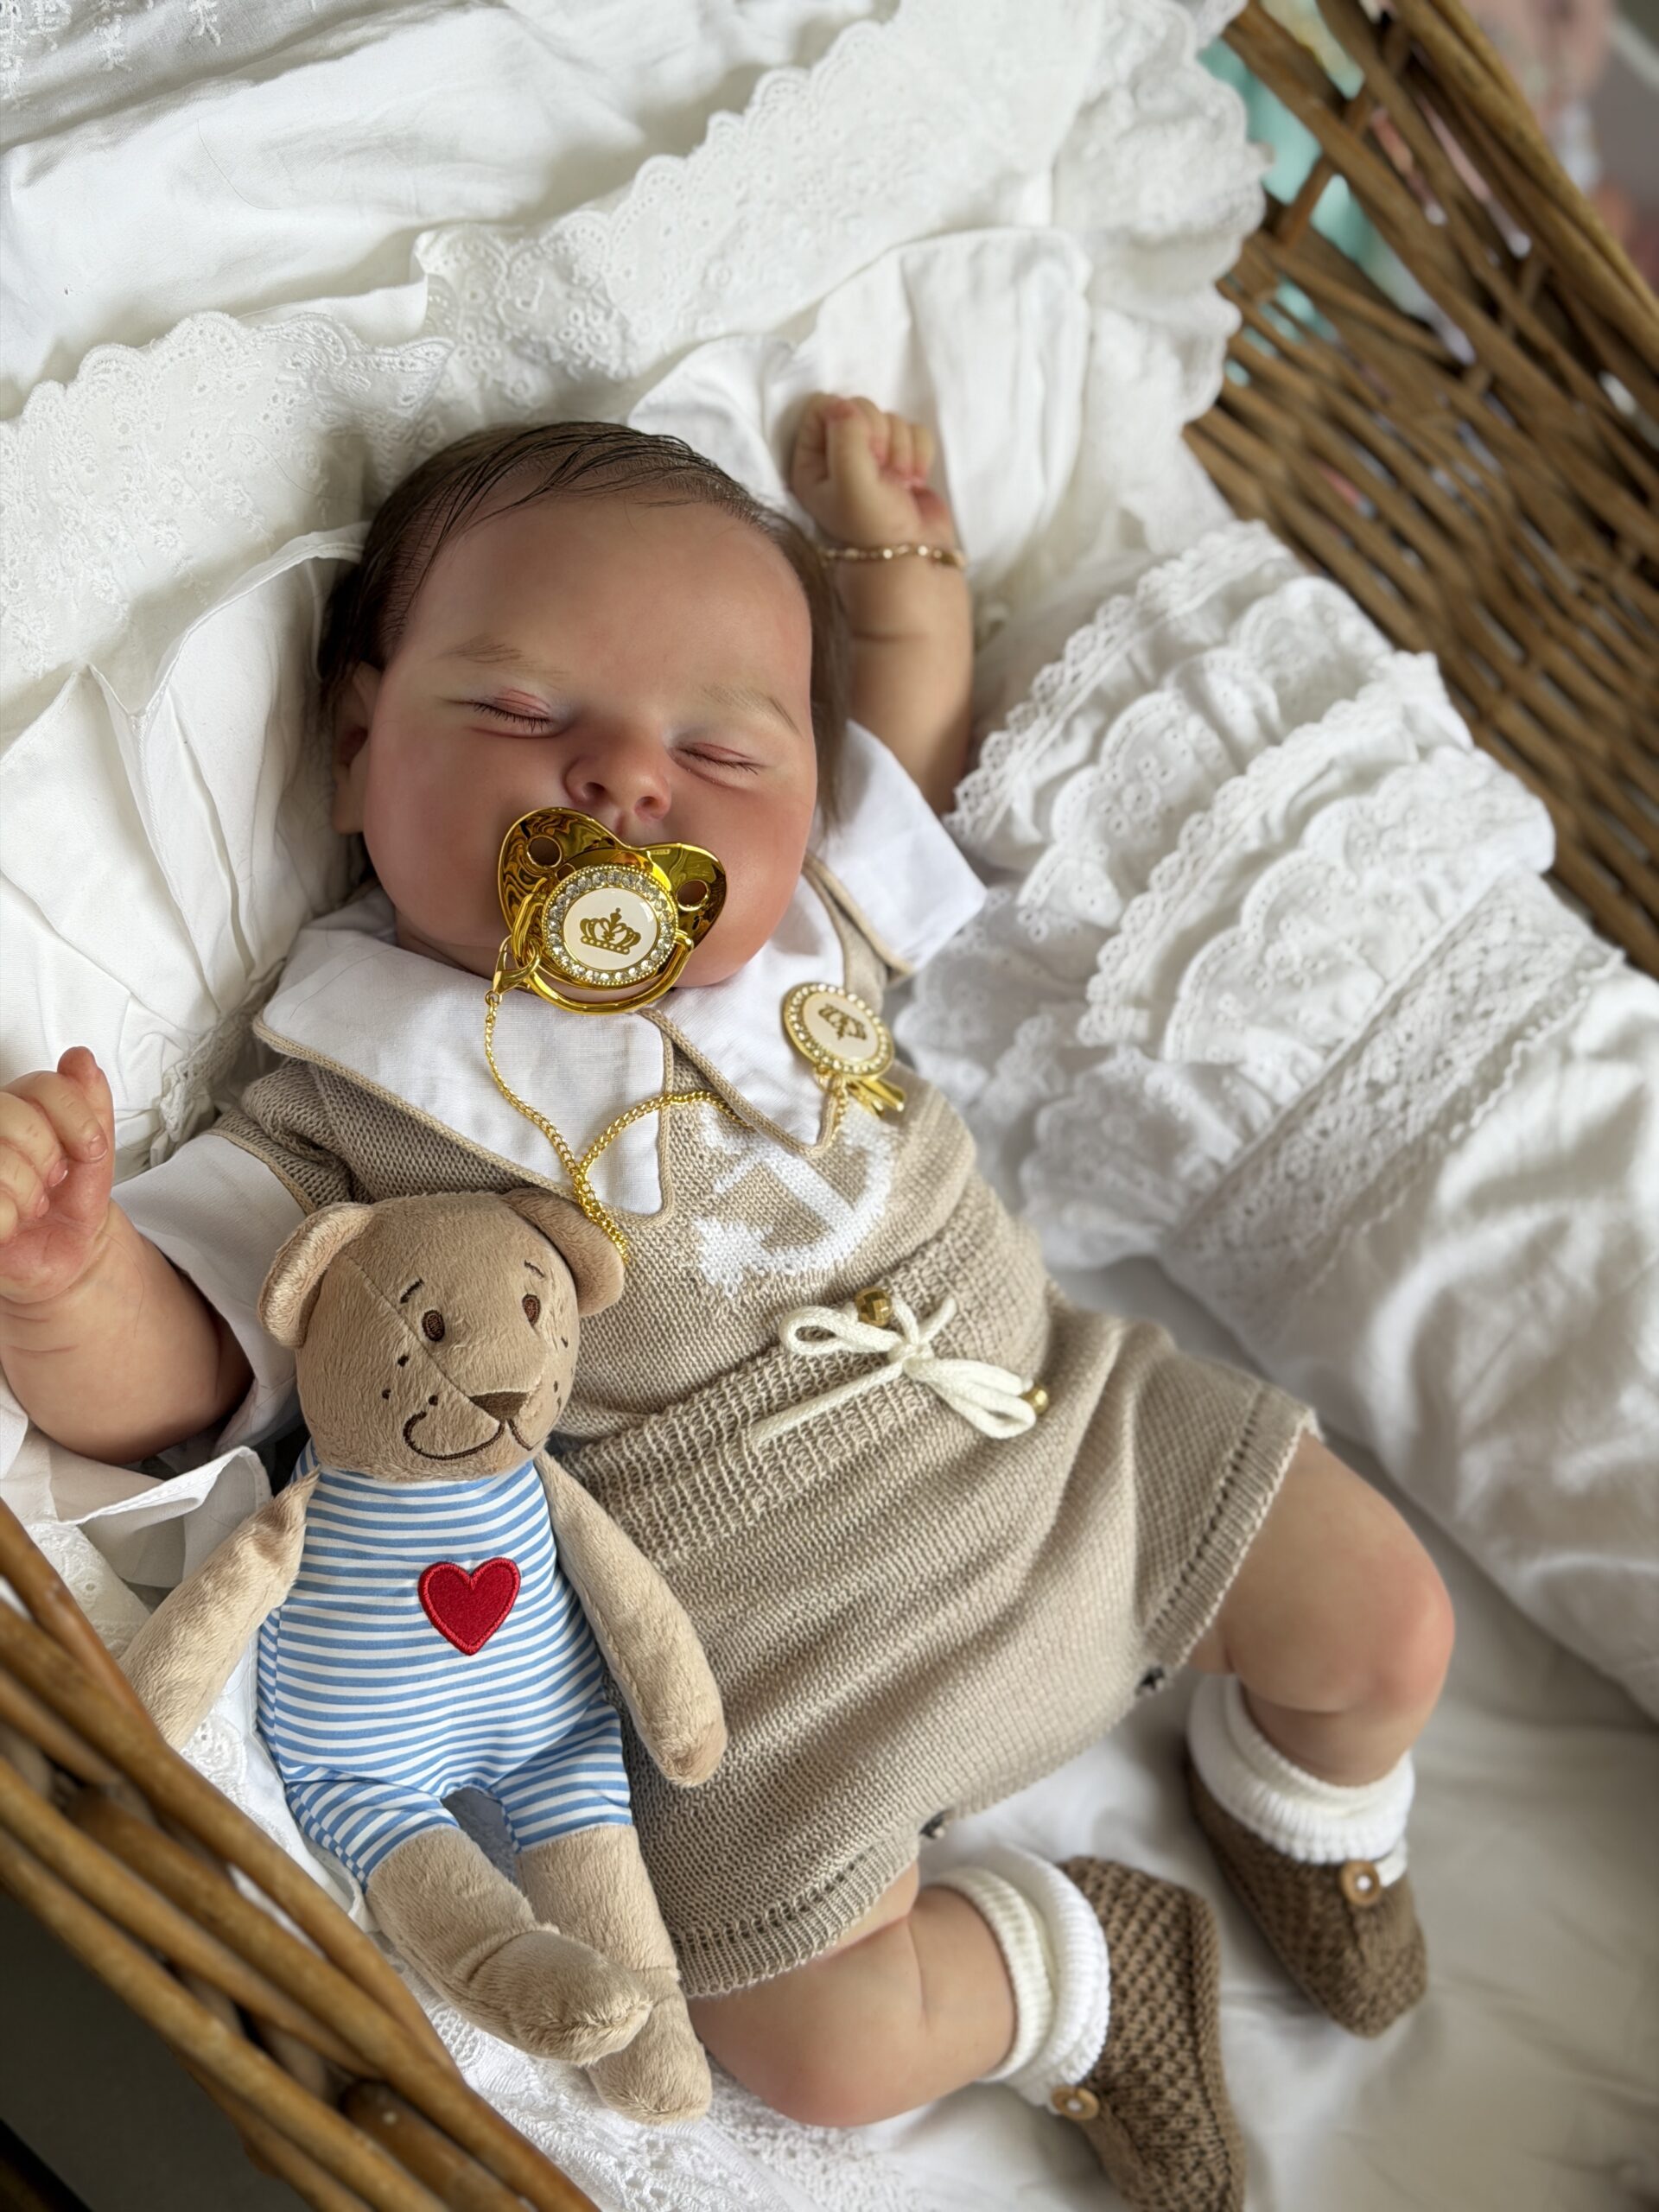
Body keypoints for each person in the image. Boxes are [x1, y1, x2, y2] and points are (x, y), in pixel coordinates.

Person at [0, 397, 1452, 2212]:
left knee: (1387, 1624)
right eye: (522, 711)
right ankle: (1076, 1969)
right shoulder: (349, 1101)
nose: (626, 781)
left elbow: (899, 748)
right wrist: (65, 1273)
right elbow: (189, 1371)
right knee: (824, 2047)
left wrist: (899, 569)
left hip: (1082, 1444)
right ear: (358, 741)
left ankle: (1299, 1804)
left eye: (719, 748)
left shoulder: (810, 920)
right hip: (784, 1689)